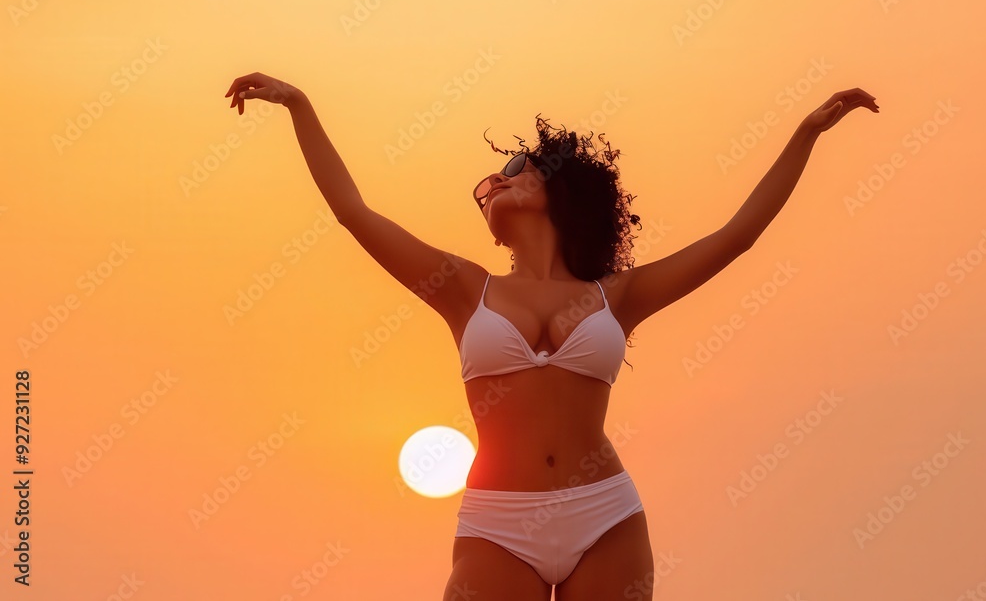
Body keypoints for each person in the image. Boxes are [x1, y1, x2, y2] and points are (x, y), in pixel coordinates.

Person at [224, 73, 878, 600]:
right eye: (486, 187)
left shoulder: (615, 297)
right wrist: (301, 106)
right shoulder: (462, 286)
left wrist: (807, 133)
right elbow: (353, 212)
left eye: (512, 167)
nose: (495, 183)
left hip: (606, 516)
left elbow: (737, 237)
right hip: (498, 526)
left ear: (560, 187)